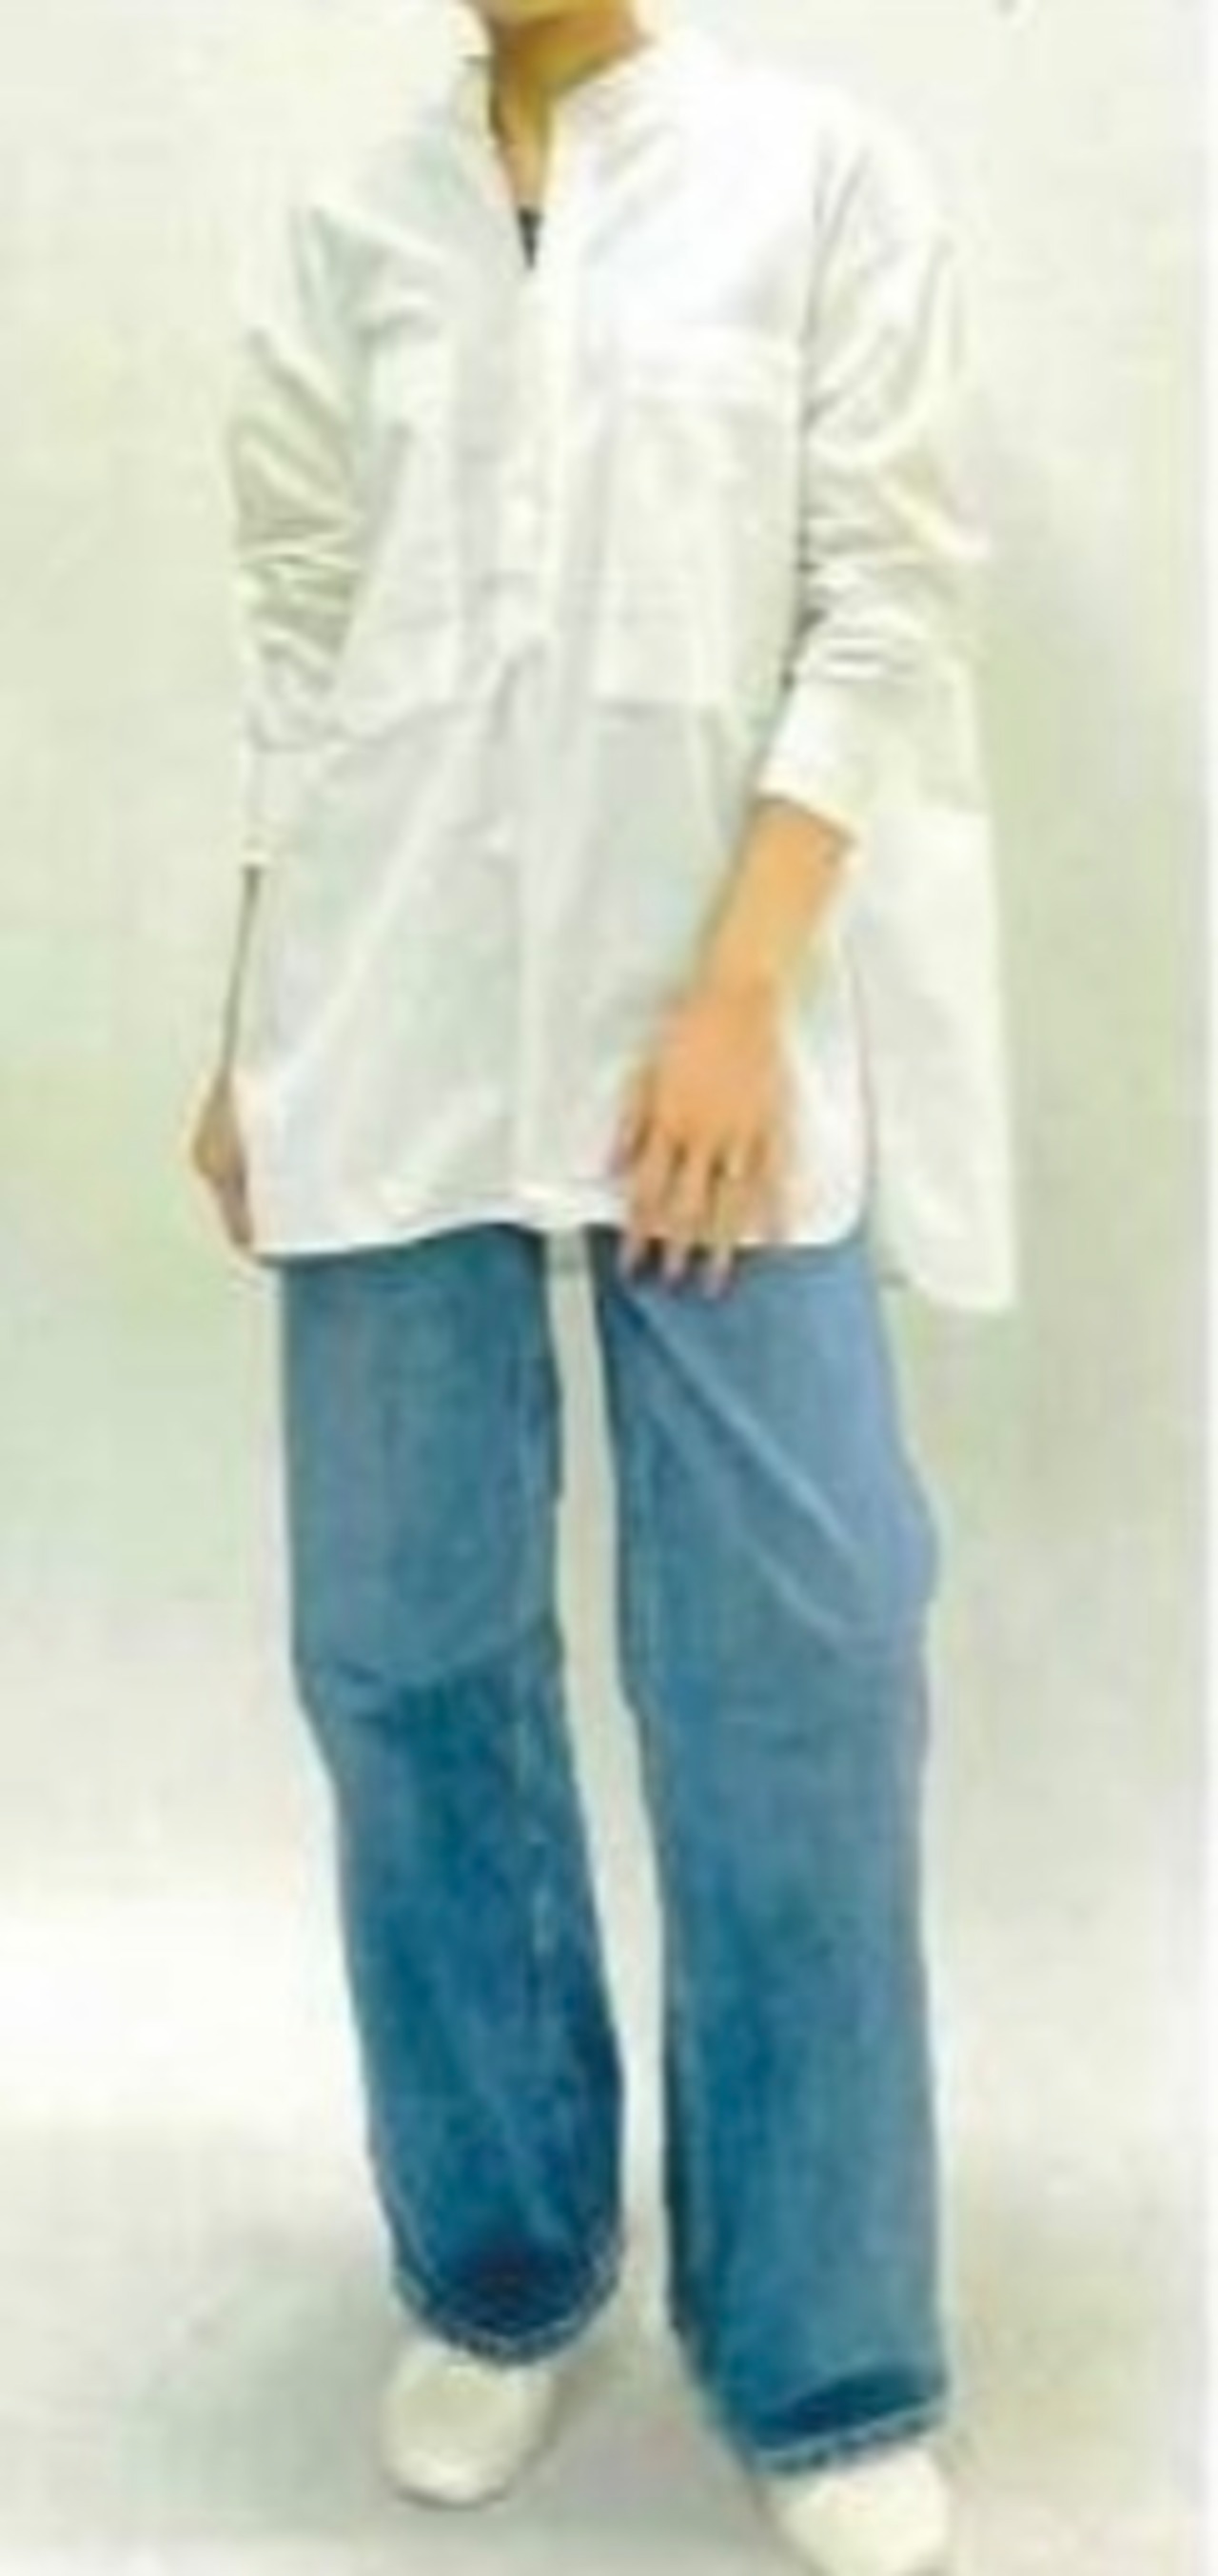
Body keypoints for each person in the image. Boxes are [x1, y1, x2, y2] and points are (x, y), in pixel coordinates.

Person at [188, 4, 1019, 2568]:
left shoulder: (814, 180)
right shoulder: (354, 232)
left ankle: (826, 2345)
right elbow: (303, 640)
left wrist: (744, 989)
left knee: (802, 1659)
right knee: (404, 1650)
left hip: (717, 1041)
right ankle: (505, 2259)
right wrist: (253, 1024)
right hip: (394, 1021)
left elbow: (883, 593)